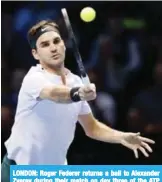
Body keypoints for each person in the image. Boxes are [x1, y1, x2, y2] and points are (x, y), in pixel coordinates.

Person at [1, 20, 155, 181]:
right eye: (45, 45)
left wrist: (121, 137)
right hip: (17, 170)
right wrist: (78, 93)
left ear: (63, 44)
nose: (53, 48)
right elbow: (54, 93)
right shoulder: (34, 78)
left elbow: (92, 128)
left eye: (56, 41)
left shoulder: (74, 81)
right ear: (35, 54)